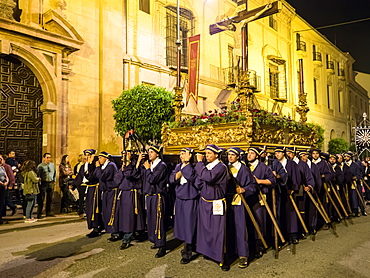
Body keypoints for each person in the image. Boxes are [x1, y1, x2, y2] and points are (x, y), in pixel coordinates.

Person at [194, 144, 228, 271]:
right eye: (206, 153)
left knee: (218, 231)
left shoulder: (221, 167)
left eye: (209, 153)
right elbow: (199, 182)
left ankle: (221, 257)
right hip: (204, 201)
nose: (206, 155)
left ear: (216, 154)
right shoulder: (206, 167)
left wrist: (199, 164)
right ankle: (208, 252)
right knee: (205, 229)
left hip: (216, 202)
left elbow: (209, 177)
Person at [227, 147, 256, 268]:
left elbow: (252, 185)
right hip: (226, 202)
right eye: (229, 155)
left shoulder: (244, 169)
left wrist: (244, 189)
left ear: (238, 156)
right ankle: (229, 253)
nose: (230, 157)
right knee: (227, 229)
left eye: (233, 155)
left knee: (240, 228)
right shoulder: (225, 168)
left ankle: (243, 255)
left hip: (239, 202)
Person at [169, 148, 199, 264]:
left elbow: (192, 177)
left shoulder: (195, 166)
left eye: (184, 154)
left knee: (190, 225)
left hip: (190, 199)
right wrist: (180, 171)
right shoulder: (178, 167)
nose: (181, 156)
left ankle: (187, 251)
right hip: (180, 199)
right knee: (181, 224)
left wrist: (186, 165)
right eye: (180, 154)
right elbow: (172, 179)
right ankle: (186, 244)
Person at [138, 145, 168, 258]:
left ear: (157, 153)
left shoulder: (161, 166)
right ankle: (155, 240)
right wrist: (140, 162)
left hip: (158, 196)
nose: (149, 154)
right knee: (150, 220)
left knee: (158, 221)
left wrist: (147, 169)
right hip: (150, 196)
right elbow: (139, 175)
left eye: (151, 152)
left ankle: (162, 246)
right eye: (149, 152)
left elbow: (153, 179)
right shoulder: (149, 165)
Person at [115, 149, 145, 250]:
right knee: (124, 216)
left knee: (129, 216)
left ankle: (127, 238)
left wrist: (134, 165)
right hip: (123, 193)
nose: (125, 156)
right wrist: (122, 171)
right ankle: (127, 233)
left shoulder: (135, 165)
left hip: (132, 193)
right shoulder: (123, 166)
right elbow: (117, 180)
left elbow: (132, 176)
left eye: (127, 154)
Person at [93, 151, 120, 241]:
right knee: (106, 212)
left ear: (106, 158)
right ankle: (110, 230)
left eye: (100, 158)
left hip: (112, 191)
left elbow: (102, 176)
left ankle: (115, 232)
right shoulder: (104, 166)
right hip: (106, 191)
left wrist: (97, 168)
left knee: (112, 211)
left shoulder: (111, 166)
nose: (99, 160)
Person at [79, 149, 104, 238]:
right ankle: (93, 226)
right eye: (86, 155)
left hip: (95, 188)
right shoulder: (85, 165)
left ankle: (96, 227)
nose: (87, 157)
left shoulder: (95, 164)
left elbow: (93, 176)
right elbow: (84, 175)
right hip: (89, 188)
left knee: (94, 208)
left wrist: (90, 166)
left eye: (90, 155)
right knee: (89, 208)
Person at [36, 153, 56, 218]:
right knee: (41, 198)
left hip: (50, 182)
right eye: (47, 157)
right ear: (44, 158)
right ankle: (39, 213)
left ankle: (48, 211)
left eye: (50, 157)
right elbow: (38, 174)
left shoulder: (52, 165)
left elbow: (54, 172)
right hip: (43, 183)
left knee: (50, 198)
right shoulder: (40, 166)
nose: (48, 159)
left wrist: (54, 180)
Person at [0, 155, 9, 225]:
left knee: (2, 202)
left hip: (3, 186)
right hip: (0, 185)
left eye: (1, 159)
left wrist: (6, 182)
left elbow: (6, 175)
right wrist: (1, 183)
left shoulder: (2, 167)